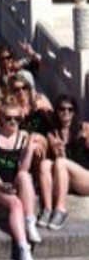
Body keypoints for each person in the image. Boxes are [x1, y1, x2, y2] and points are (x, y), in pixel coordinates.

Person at [0, 98, 42, 260]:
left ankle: (30, 222)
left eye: (17, 119)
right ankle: (23, 248)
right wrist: (1, 184)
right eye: (9, 118)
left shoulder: (23, 136)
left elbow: (23, 168)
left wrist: (29, 150)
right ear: (1, 118)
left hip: (15, 180)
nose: (13, 122)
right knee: (16, 204)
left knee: (25, 176)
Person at [38, 95, 89, 230]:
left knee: (61, 162)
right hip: (67, 178)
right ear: (57, 111)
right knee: (45, 164)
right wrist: (60, 152)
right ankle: (48, 209)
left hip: (85, 177)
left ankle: (61, 209)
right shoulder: (53, 133)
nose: (66, 112)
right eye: (62, 109)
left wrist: (83, 140)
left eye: (70, 109)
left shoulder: (84, 128)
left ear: (74, 112)